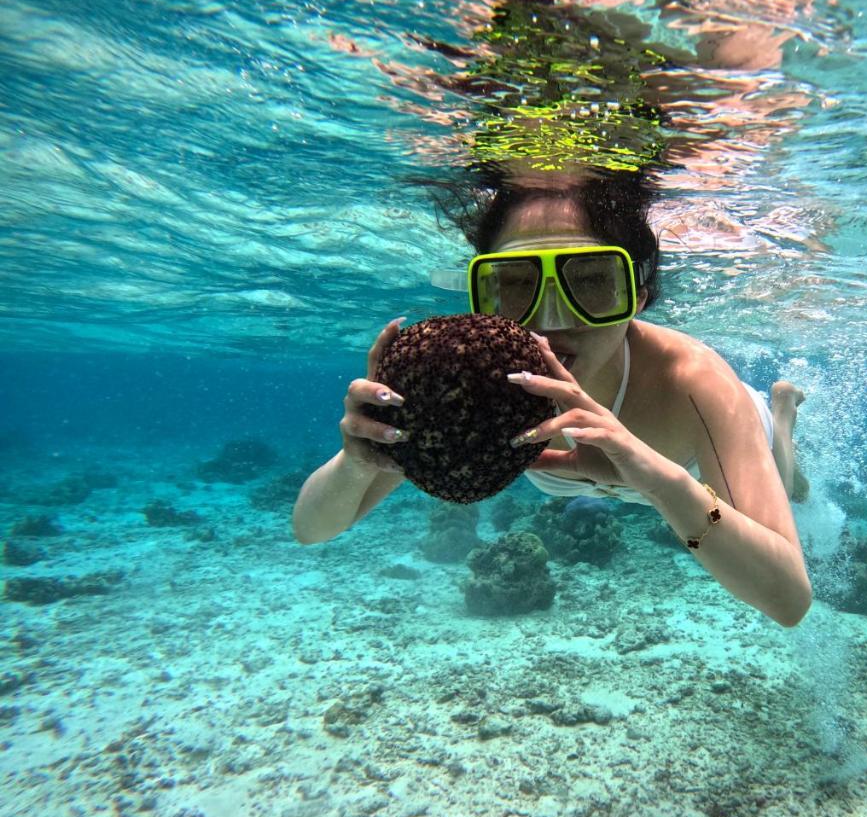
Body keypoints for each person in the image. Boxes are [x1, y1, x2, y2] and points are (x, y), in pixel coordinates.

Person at [293, 169, 812, 627]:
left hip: (717, 446)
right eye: (517, 285)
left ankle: (781, 416)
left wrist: (658, 479)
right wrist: (359, 459)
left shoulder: (691, 379)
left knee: (786, 487)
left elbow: (788, 599)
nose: (553, 318)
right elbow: (312, 528)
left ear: (637, 294)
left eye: (589, 280)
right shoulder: (472, 383)